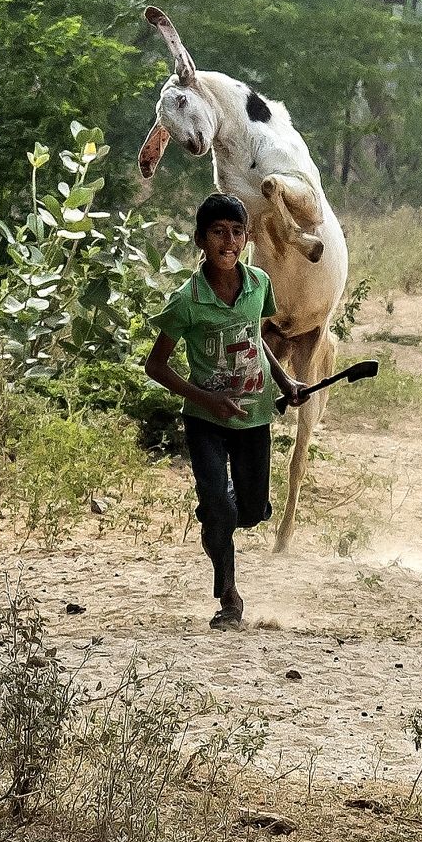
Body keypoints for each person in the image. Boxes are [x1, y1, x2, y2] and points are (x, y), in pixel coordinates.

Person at [143, 192, 307, 629]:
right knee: (219, 506)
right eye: (218, 232)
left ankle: (220, 514)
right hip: (206, 422)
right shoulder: (187, 299)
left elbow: (254, 338)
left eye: (236, 232)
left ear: (247, 238)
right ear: (201, 239)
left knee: (250, 511)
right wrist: (207, 399)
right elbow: (154, 365)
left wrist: (285, 381)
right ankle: (229, 598)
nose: (228, 241)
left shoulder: (258, 285)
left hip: (253, 419)